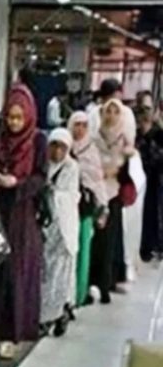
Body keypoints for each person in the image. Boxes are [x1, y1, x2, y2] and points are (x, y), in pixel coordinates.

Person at [0, 84, 46, 358]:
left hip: (22, 217)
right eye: (10, 117)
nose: (14, 123)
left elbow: (40, 177)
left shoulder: (37, 141)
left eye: (19, 117)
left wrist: (17, 183)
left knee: (15, 275)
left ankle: (10, 334)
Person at [90, 98, 136, 304]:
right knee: (94, 240)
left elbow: (129, 173)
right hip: (95, 193)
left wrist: (118, 168)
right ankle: (91, 282)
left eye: (116, 112)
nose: (111, 116)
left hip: (114, 195)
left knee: (109, 241)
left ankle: (106, 283)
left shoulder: (126, 143)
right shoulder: (94, 138)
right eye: (108, 111)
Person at [39, 128, 80, 337]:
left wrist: (51, 192)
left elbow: (70, 196)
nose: (57, 152)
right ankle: (49, 314)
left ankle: (56, 313)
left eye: (62, 147)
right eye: (53, 146)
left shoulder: (72, 167)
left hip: (63, 230)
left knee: (60, 274)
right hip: (46, 229)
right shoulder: (43, 165)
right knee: (46, 274)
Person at [69, 111, 108, 308]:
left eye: (84, 125)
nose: (80, 129)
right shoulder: (63, 145)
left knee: (83, 251)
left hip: (85, 208)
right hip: (66, 207)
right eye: (77, 124)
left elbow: (98, 180)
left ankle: (80, 293)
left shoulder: (92, 150)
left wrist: (103, 208)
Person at [137, 106, 163, 262]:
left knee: (155, 213)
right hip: (144, 182)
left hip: (155, 181)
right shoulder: (138, 137)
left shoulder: (157, 135)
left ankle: (155, 245)